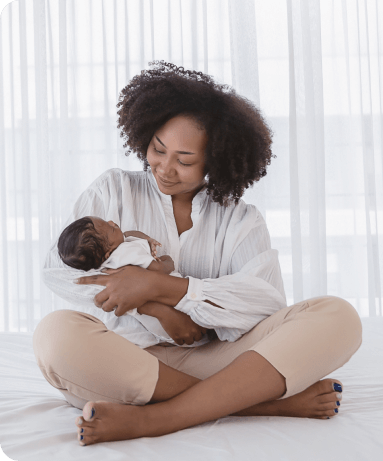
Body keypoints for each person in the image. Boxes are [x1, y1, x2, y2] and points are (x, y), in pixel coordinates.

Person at [33, 60, 362, 446]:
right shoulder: (112, 190)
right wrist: (151, 306)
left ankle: (156, 419)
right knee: (55, 336)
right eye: (158, 149)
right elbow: (60, 271)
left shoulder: (242, 220)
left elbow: (265, 305)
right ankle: (254, 402)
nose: (165, 168)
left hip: (219, 357)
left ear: (215, 162)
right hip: (125, 359)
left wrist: (165, 287)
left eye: (185, 160)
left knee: (337, 316)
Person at [56, 215, 209, 346]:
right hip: (174, 306)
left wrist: (145, 239)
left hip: (150, 324)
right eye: (112, 229)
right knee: (203, 311)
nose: (112, 222)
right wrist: (168, 261)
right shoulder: (127, 251)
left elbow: (128, 234)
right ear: (109, 251)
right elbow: (160, 270)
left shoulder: (103, 264)